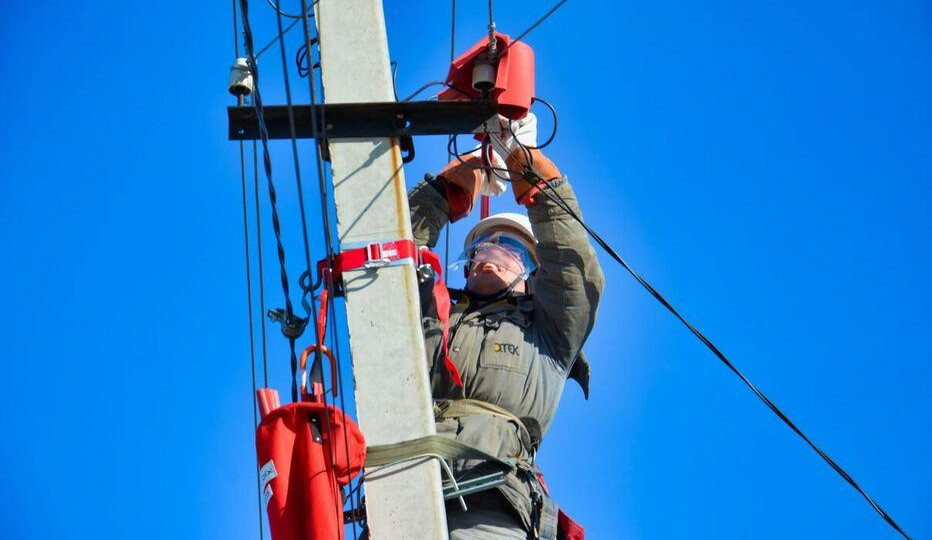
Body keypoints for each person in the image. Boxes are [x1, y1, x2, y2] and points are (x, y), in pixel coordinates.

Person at [407, 114, 605, 540]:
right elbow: (387, 257)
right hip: (403, 494)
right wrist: (453, 186)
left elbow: (573, 267)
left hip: (491, 507)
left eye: (512, 248)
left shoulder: (548, 331)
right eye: (484, 245)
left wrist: (524, 163)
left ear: (533, 272)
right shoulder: (435, 316)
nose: (493, 252)